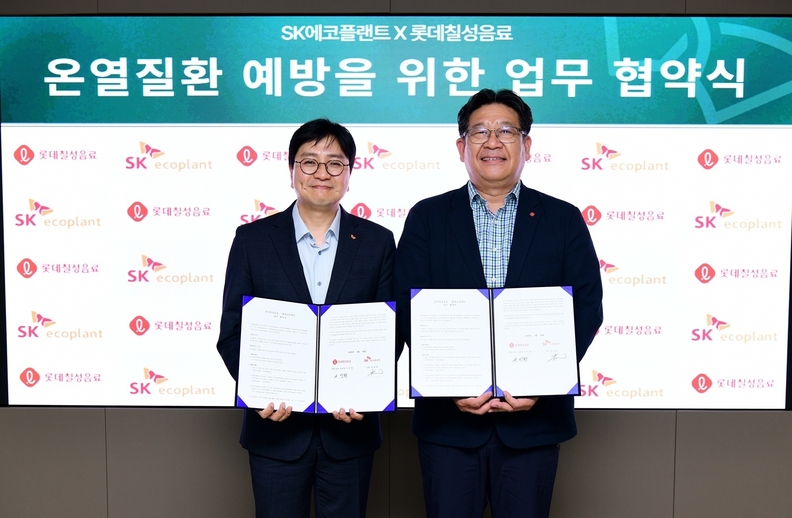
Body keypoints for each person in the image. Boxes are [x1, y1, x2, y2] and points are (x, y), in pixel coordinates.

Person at [394, 89, 603, 518]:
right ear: (461, 147)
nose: (493, 142)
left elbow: (587, 306)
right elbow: (408, 307)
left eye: (506, 131)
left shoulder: (563, 219)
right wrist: (450, 386)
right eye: (480, 132)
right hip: (449, 425)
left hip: (533, 423)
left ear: (526, 145)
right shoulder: (427, 217)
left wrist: (541, 382)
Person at [217, 118, 395, 518]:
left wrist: (366, 391)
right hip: (274, 430)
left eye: (335, 163)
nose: (322, 173)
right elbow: (232, 333)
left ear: (349, 173)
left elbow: (389, 331)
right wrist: (258, 390)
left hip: (350, 431)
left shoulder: (377, 242)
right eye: (309, 162)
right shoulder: (252, 240)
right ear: (292, 170)